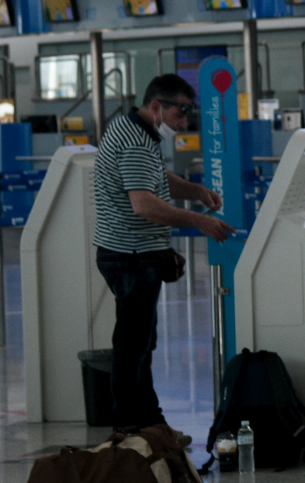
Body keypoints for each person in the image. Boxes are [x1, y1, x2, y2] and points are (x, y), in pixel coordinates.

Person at [92, 76, 232, 447]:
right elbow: (144, 204)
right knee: (132, 347)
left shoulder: (136, 130)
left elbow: (154, 178)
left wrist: (194, 190)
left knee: (141, 344)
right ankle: (129, 429)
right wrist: (199, 220)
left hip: (131, 254)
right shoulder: (136, 141)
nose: (183, 123)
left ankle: (151, 425)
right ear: (156, 107)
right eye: (179, 113)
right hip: (131, 257)